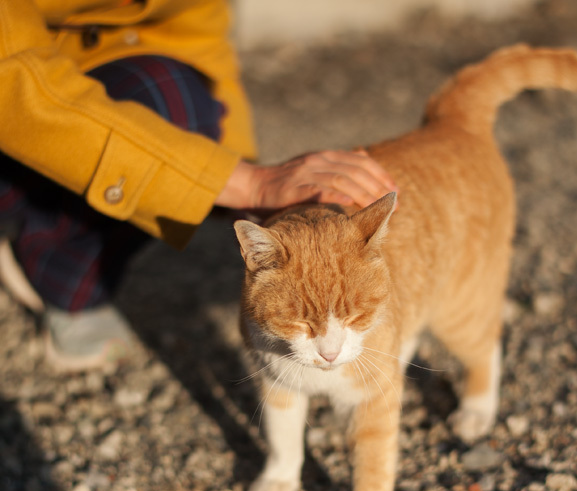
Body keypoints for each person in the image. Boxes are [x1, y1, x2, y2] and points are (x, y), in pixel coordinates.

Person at [0, 0, 397, 372]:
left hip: (111, 57)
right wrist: (241, 183)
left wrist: (237, 175)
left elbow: (202, 39)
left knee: (185, 105)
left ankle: (57, 249)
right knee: (171, 116)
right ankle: (51, 253)